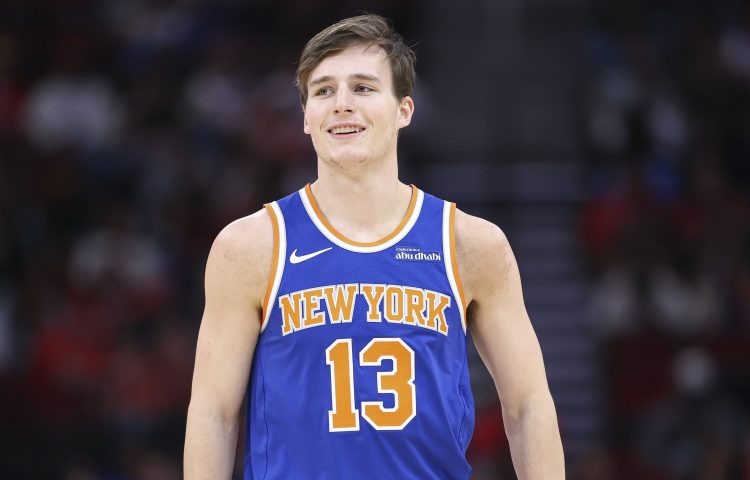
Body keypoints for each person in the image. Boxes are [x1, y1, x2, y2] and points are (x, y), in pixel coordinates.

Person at [184, 14, 564, 479]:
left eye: (363, 88)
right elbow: (214, 412)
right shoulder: (250, 246)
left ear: (404, 110)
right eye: (324, 91)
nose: (342, 104)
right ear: (305, 117)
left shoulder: (470, 243)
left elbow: (528, 404)